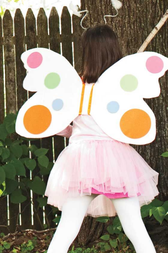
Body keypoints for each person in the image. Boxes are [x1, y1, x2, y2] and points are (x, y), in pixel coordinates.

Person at [16, 25, 160, 253]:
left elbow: (59, 125)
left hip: (80, 161)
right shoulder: (120, 89)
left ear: (87, 53)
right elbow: (128, 125)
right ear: (114, 50)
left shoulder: (77, 86)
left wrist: (76, 131)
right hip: (117, 162)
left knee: (67, 228)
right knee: (135, 227)